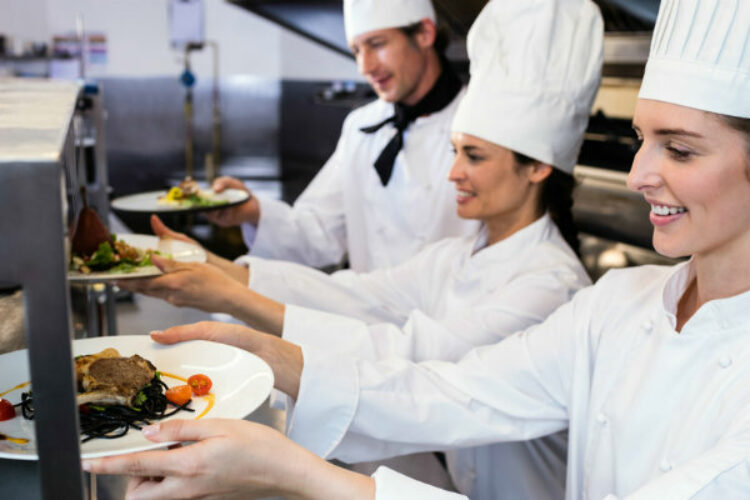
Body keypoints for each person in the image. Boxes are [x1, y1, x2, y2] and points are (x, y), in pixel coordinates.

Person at [86, 0, 750, 498]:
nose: (637, 176)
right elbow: (456, 389)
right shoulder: (619, 304)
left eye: (681, 148)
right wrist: (265, 345)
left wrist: (289, 466)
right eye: (641, 140)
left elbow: (421, 353)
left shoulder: (557, 285)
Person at [202, 0, 478, 273]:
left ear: (424, 34)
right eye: (356, 50)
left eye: (377, 44)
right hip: (369, 314)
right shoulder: (361, 127)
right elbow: (319, 232)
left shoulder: (481, 124)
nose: (365, 67)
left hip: (455, 315)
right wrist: (252, 212)